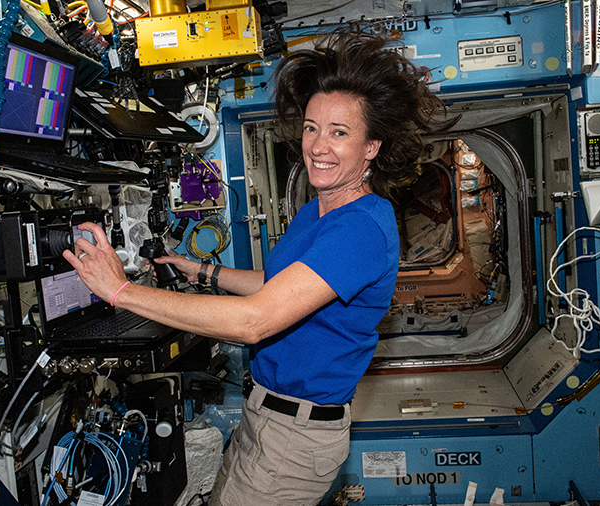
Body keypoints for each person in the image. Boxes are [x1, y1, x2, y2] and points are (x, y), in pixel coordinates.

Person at [63, 26, 451, 506]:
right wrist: (201, 272)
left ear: (371, 147)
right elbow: (278, 286)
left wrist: (119, 291)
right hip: (266, 416)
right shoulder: (318, 209)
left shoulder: (362, 228)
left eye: (339, 132)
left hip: (294, 438)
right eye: (311, 128)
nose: (318, 146)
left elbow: (256, 321)